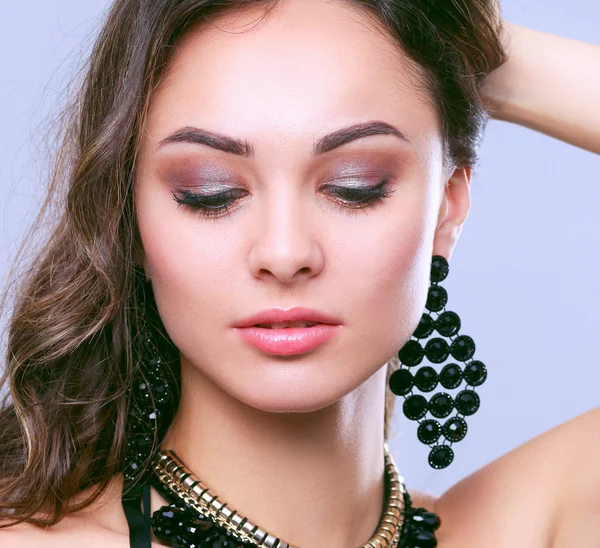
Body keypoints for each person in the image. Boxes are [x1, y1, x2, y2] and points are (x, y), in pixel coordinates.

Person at [0, 0, 598, 546]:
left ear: (447, 206)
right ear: (127, 222)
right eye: (210, 193)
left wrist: (475, 44)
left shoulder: (520, 529)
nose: (285, 254)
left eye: (354, 186)